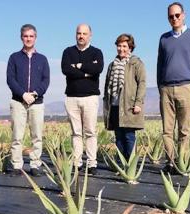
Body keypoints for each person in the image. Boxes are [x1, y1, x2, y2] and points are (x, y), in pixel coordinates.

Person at [157, 1, 190, 174]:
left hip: (186, 88)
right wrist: (160, 87)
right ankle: (170, 163)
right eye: (171, 16)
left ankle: (182, 163)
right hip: (166, 89)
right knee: (167, 131)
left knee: (184, 130)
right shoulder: (164, 38)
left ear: (183, 15)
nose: (174, 18)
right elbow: (159, 65)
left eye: (177, 15)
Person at [6, 24, 50, 176]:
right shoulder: (14, 58)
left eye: (31, 36)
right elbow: (10, 79)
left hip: (37, 103)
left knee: (36, 136)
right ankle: (17, 164)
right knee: (17, 136)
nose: (28, 39)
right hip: (18, 102)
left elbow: (46, 80)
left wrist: (35, 94)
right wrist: (23, 94)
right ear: (21, 38)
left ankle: (35, 164)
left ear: (35, 38)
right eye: (26, 36)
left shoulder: (42, 59)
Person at [61, 24, 104, 175]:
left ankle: (92, 163)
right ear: (75, 35)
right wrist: (85, 72)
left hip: (90, 98)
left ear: (90, 35)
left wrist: (77, 66)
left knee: (91, 132)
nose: (81, 36)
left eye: (84, 33)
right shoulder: (68, 52)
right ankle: (77, 163)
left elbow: (97, 69)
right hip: (72, 98)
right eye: (79, 33)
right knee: (76, 133)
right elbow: (66, 69)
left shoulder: (96, 52)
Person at [103, 33, 146, 160]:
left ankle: (130, 164)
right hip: (114, 106)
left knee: (129, 135)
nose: (121, 49)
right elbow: (107, 85)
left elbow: (142, 83)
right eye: (119, 46)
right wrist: (107, 103)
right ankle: (120, 163)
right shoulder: (112, 65)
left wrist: (138, 103)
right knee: (118, 136)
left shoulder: (136, 63)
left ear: (130, 48)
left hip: (129, 106)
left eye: (124, 46)